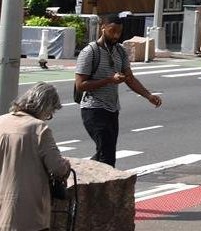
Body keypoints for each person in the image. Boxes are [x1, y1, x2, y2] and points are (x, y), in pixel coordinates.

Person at [75, 12, 163, 166]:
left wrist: (148, 96)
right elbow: (80, 85)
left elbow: (130, 78)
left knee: (107, 153)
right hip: (93, 109)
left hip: (112, 109)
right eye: (112, 31)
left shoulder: (120, 51)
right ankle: (98, 183)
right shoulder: (90, 52)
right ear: (103, 28)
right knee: (106, 156)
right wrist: (109, 80)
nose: (116, 36)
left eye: (119, 32)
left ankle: (85, 170)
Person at [0, 81, 71, 231]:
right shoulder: (39, 128)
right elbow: (57, 168)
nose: (48, 117)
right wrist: (66, 165)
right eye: (50, 113)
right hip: (25, 212)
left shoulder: (2, 121)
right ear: (45, 107)